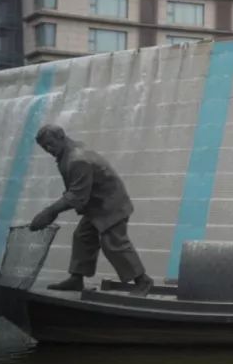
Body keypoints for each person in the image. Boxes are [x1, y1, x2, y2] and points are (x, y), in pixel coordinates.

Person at [28, 124, 154, 296]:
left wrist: (50, 212)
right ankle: (76, 279)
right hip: (97, 204)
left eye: (50, 143)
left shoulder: (77, 159)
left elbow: (77, 196)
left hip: (110, 205)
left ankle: (142, 281)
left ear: (61, 137)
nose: (48, 149)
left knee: (114, 243)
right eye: (44, 147)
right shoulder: (67, 153)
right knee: (83, 237)